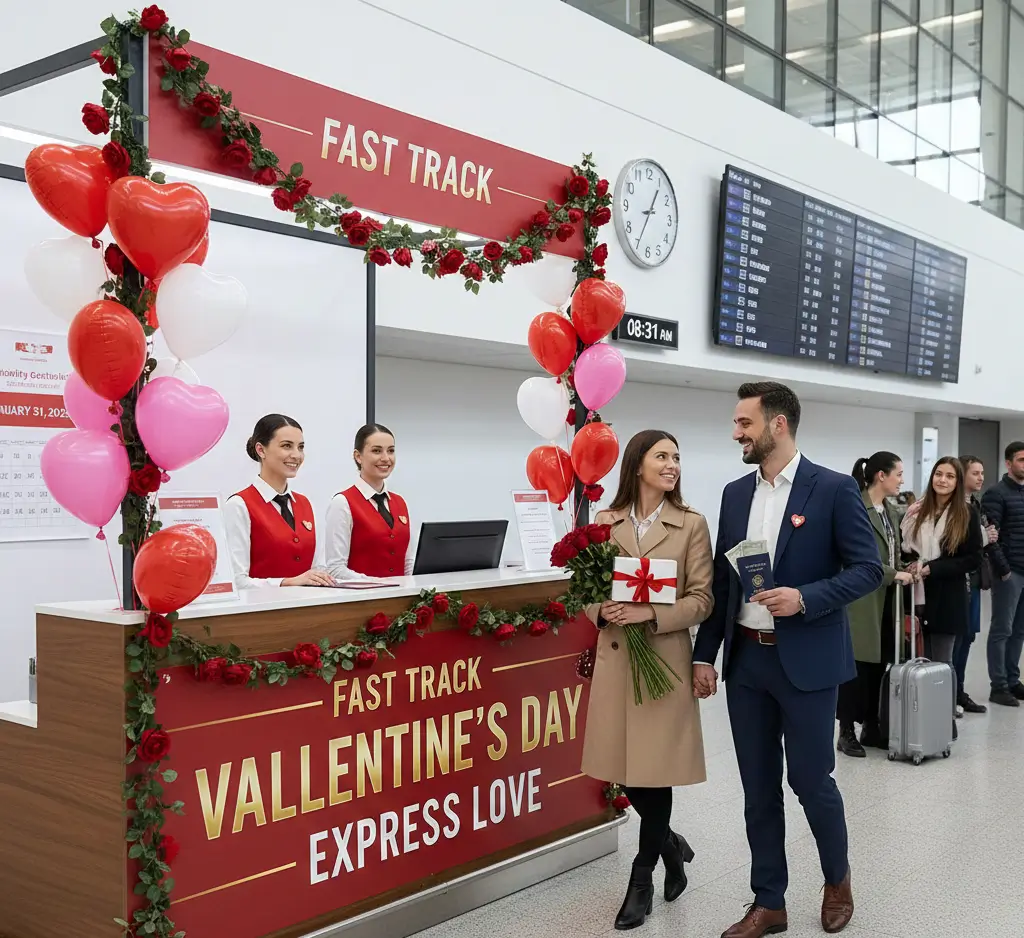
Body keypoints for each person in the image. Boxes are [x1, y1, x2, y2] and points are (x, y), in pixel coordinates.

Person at [692, 382, 882, 938]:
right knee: (757, 788)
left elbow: (868, 569)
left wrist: (806, 598)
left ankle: (837, 879)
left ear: (778, 424)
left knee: (810, 780)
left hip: (807, 663)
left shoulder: (834, 489)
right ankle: (769, 901)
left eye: (744, 423)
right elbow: (725, 584)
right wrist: (705, 655)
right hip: (747, 664)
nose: (736, 433)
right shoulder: (734, 494)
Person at [580, 430, 713, 930]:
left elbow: (702, 598)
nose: (672, 464)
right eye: (662, 456)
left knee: (653, 771)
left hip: (663, 661)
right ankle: (671, 845)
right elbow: (584, 589)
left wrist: (650, 613)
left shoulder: (691, 524)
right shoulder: (604, 522)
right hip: (618, 661)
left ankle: (641, 878)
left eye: (677, 456)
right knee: (626, 772)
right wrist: (603, 609)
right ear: (638, 464)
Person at [837, 452, 915, 757]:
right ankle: (846, 731)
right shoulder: (855, 507)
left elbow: (892, 552)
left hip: (888, 598)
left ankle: (872, 725)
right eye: (898, 474)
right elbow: (854, 558)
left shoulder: (891, 511)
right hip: (862, 599)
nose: (902, 480)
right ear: (881, 476)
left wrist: (907, 567)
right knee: (856, 667)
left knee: (880, 663)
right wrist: (894, 574)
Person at [901, 457, 983, 741]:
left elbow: (973, 558)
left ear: (957, 482)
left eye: (950, 476)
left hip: (947, 596)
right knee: (916, 660)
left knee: (942, 662)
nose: (943, 480)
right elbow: (906, 548)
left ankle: (945, 720)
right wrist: (912, 563)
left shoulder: (967, 513)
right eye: (939, 474)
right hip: (916, 594)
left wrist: (933, 568)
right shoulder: (917, 509)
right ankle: (918, 720)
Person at [225, 414, 335, 589]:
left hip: (308, 604)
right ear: (261, 450)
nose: (296, 455)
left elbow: (317, 568)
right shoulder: (239, 505)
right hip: (261, 606)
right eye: (286, 446)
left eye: (300, 447)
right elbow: (237, 581)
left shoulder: (305, 504)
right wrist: (286, 582)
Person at [325, 423, 414, 580]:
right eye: (376, 451)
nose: (386, 458)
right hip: (364, 595)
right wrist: (375, 584)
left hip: (399, 594)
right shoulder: (342, 503)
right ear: (358, 456)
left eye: (391, 451)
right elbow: (335, 568)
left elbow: (407, 562)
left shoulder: (400, 502)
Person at [981, 441, 1024, 708]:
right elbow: (990, 537)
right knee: (1002, 629)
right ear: (1008, 463)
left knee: (1019, 631)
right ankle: (998, 686)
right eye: (1021, 460)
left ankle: (1012, 680)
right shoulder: (995, 493)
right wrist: (1004, 570)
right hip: (1010, 573)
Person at [955, 456, 998, 714]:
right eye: (975, 473)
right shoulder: (953, 506)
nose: (981, 478)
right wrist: (984, 536)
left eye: (982, 473)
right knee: (956, 638)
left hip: (974, 578)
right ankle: (949, 692)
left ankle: (959, 690)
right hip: (957, 581)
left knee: (969, 636)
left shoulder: (975, 504)